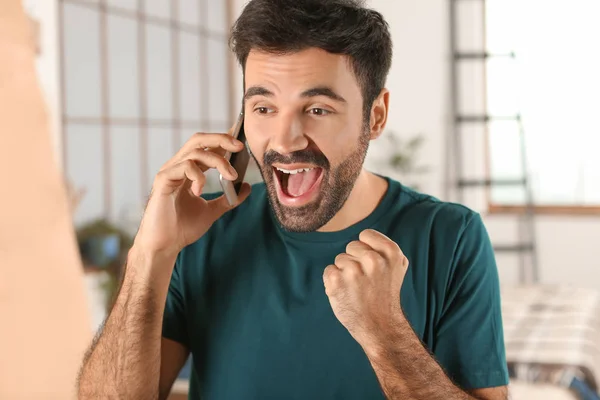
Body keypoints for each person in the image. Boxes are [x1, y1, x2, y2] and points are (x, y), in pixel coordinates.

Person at [77, 0, 509, 399]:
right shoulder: (201, 232)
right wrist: (150, 254)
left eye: (317, 109)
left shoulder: (451, 237)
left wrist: (386, 335)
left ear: (374, 116)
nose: (284, 139)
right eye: (263, 109)